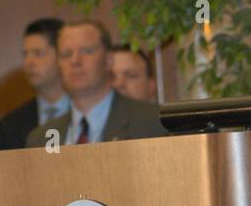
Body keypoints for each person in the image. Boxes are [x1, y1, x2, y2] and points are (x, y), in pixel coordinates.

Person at [26, 20, 167, 146]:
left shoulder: (153, 122)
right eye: (66, 54)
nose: (75, 61)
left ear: (109, 60)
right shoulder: (42, 138)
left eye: (86, 51)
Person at [0, 17, 68, 151]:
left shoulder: (85, 113)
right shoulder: (9, 126)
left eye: (38, 53)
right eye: (25, 54)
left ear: (62, 55)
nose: (29, 62)